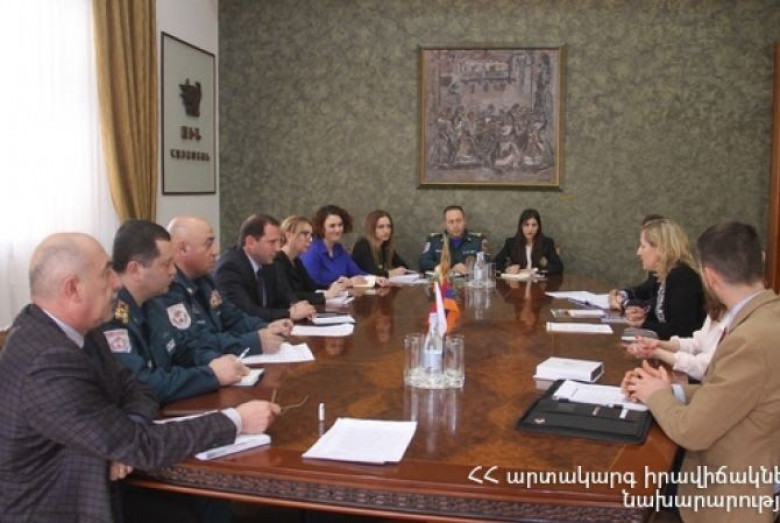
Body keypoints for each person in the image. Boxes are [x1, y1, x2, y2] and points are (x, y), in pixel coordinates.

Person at [0, 232, 279, 522]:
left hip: (98, 478)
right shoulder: (46, 362)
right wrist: (236, 420)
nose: (116, 282)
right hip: (60, 507)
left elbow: (137, 387)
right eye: (106, 273)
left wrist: (127, 432)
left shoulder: (81, 331)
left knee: (207, 502)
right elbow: (142, 445)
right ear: (73, 288)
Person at [622, 222, 780, 523]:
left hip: (730, 495)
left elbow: (691, 431)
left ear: (709, 277)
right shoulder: (768, 315)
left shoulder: (749, 340)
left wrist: (656, 396)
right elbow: (732, 392)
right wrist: (671, 390)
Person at [100, 220, 250, 405]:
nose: (173, 271)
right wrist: (210, 375)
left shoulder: (154, 302)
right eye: (166, 264)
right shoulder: (111, 316)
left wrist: (216, 361)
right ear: (135, 270)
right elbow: (142, 384)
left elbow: (183, 348)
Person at [146, 216, 292, 359]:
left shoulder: (205, 279)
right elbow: (194, 342)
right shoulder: (166, 287)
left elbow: (232, 317)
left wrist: (265, 327)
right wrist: (253, 342)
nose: (215, 251)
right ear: (183, 248)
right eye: (208, 244)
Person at [215, 213, 316, 322]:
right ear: (250, 242)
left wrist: (297, 306)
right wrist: (288, 314)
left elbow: (283, 295)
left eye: (279, 241)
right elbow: (247, 311)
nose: (278, 248)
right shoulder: (230, 268)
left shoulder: (268, 262)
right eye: (272, 242)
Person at [623, 218, 705, 340]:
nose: (638, 252)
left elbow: (682, 331)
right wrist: (644, 316)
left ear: (661, 249)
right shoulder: (667, 274)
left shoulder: (682, 277)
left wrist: (644, 324)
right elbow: (666, 318)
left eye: (643, 246)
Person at [626, 295, 726, 381]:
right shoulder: (719, 308)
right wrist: (659, 344)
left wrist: (657, 352)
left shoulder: (732, 320)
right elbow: (696, 343)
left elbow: (704, 368)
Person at [300, 204, 388, 288]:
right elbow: (312, 286)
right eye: (332, 226)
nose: (338, 229)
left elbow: (357, 272)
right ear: (321, 228)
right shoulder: (311, 251)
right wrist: (346, 283)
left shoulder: (338, 249)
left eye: (340, 225)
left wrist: (375, 279)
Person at [273, 215, 349, 305]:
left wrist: (334, 285)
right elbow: (289, 296)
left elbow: (312, 287)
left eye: (311, 235)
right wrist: (325, 295)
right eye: (305, 234)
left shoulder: (296, 261)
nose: (310, 239)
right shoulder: (277, 261)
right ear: (289, 235)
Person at [608, 214, 665, 310]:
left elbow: (660, 305)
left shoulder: (680, 275)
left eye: (643, 246)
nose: (638, 252)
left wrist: (624, 303)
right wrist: (622, 294)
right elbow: (646, 289)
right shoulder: (657, 268)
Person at [493, 208, 563, 274]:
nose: (530, 229)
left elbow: (559, 267)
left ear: (538, 227)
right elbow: (494, 264)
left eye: (534, 225)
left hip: (538, 282)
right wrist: (507, 269)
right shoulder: (511, 243)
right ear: (521, 226)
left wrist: (544, 265)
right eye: (526, 225)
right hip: (518, 282)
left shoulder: (547, 243)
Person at [418, 205, 485, 274]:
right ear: (445, 224)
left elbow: (487, 263)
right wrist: (448, 269)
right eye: (451, 222)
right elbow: (423, 262)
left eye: (459, 221)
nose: (455, 226)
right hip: (443, 280)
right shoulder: (434, 241)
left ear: (464, 221)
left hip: (467, 279)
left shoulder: (477, 241)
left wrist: (469, 268)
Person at [351, 210, 409, 277]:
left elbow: (405, 268)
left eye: (389, 226)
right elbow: (372, 273)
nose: (386, 231)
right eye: (381, 227)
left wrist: (402, 270)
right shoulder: (362, 246)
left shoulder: (384, 246)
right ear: (372, 229)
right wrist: (390, 273)